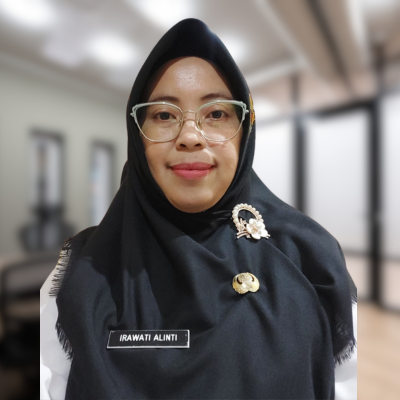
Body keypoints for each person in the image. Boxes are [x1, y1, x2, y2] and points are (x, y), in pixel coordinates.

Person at [40, 19, 357, 400]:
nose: (190, 136)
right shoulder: (84, 272)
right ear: (137, 137)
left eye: (217, 114)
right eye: (163, 115)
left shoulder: (310, 258)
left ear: (245, 129)